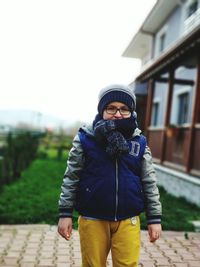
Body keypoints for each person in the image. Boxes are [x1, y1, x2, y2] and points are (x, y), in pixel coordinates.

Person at [58, 84, 162, 267]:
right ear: (102, 110)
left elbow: (149, 181)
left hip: (128, 218)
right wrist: (65, 213)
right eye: (111, 108)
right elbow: (71, 177)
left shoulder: (139, 141)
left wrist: (154, 218)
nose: (118, 114)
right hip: (92, 217)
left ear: (132, 112)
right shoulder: (85, 138)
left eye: (124, 109)